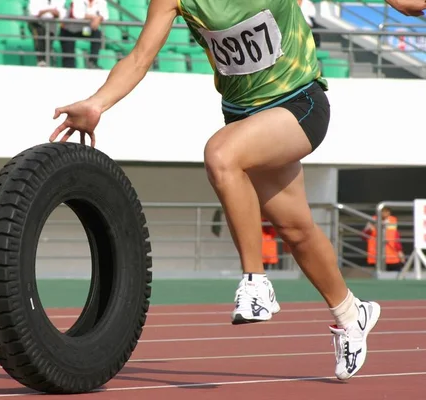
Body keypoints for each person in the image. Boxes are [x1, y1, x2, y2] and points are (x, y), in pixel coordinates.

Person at [49, 0, 426, 381]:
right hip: (244, 115)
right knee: (296, 230)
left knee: (221, 154)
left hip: (299, 103)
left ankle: (256, 281)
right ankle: (351, 313)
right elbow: (139, 56)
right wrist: (98, 103)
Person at [59, 0, 109, 68]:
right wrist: (95, 17)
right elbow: (77, 15)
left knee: (96, 34)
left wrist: (99, 18)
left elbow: (105, 15)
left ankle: (92, 62)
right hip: (68, 30)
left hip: (84, 30)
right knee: (68, 60)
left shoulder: (101, 1)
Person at [363, 207, 406, 272]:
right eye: (383, 211)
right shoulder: (372, 221)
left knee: (396, 273)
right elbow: (364, 237)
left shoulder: (392, 220)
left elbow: (396, 237)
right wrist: (369, 230)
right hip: (377, 255)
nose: (386, 213)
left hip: (392, 255)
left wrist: (399, 251)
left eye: (387, 211)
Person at [27, 0, 67, 67]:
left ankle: (45, 62)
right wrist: (51, 11)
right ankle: (41, 61)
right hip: (36, 23)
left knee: (48, 40)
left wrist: (45, 11)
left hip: (51, 26)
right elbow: (34, 13)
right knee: (40, 32)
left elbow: (62, 13)